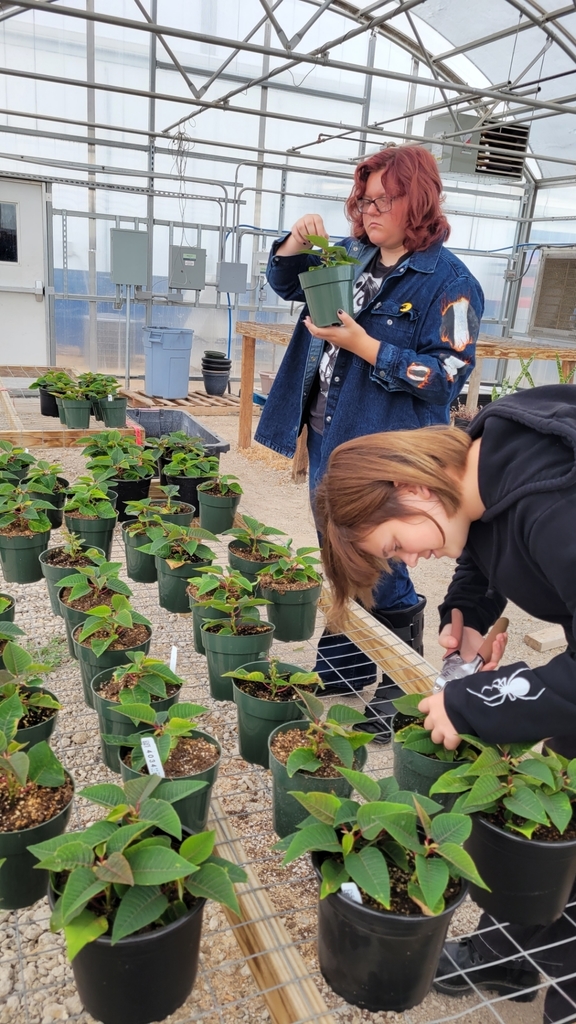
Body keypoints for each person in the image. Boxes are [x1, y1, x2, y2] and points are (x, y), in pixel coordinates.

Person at [314, 383, 576, 1023]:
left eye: (396, 547)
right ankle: (511, 952)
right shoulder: (481, 459)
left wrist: (475, 703)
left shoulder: (555, 504)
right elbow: (485, 530)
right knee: (559, 799)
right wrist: (469, 609)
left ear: (414, 489)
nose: (411, 559)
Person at [255, 144, 484, 738]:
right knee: (343, 544)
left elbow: (447, 376)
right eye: (364, 199)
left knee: (382, 556)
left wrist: (368, 347)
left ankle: (397, 683)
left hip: (385, 445)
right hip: (329, 431)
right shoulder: (349, 255)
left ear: (420, 200)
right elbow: (285, 284)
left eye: (384, 199)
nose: (369, 209)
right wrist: (294, 246)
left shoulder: (449, 283)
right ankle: (345, 665)